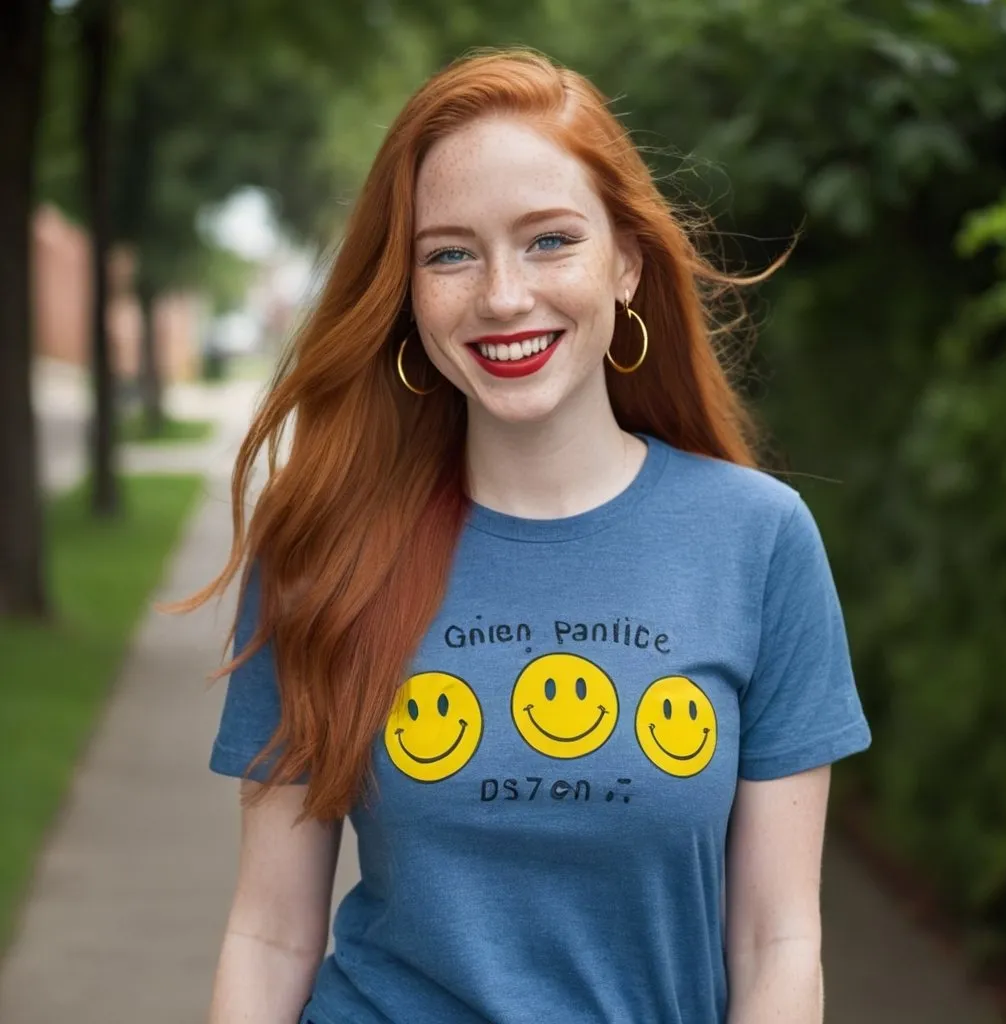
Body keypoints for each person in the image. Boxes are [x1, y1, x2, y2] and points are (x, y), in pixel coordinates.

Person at [196, 47, 871, 1024]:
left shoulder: (756, 541)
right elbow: (268, 933)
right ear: (409, 291)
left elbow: (778, 943)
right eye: (449, 252)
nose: (503, 296)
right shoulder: (324, 549)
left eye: (549, 240)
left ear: (625, 262)